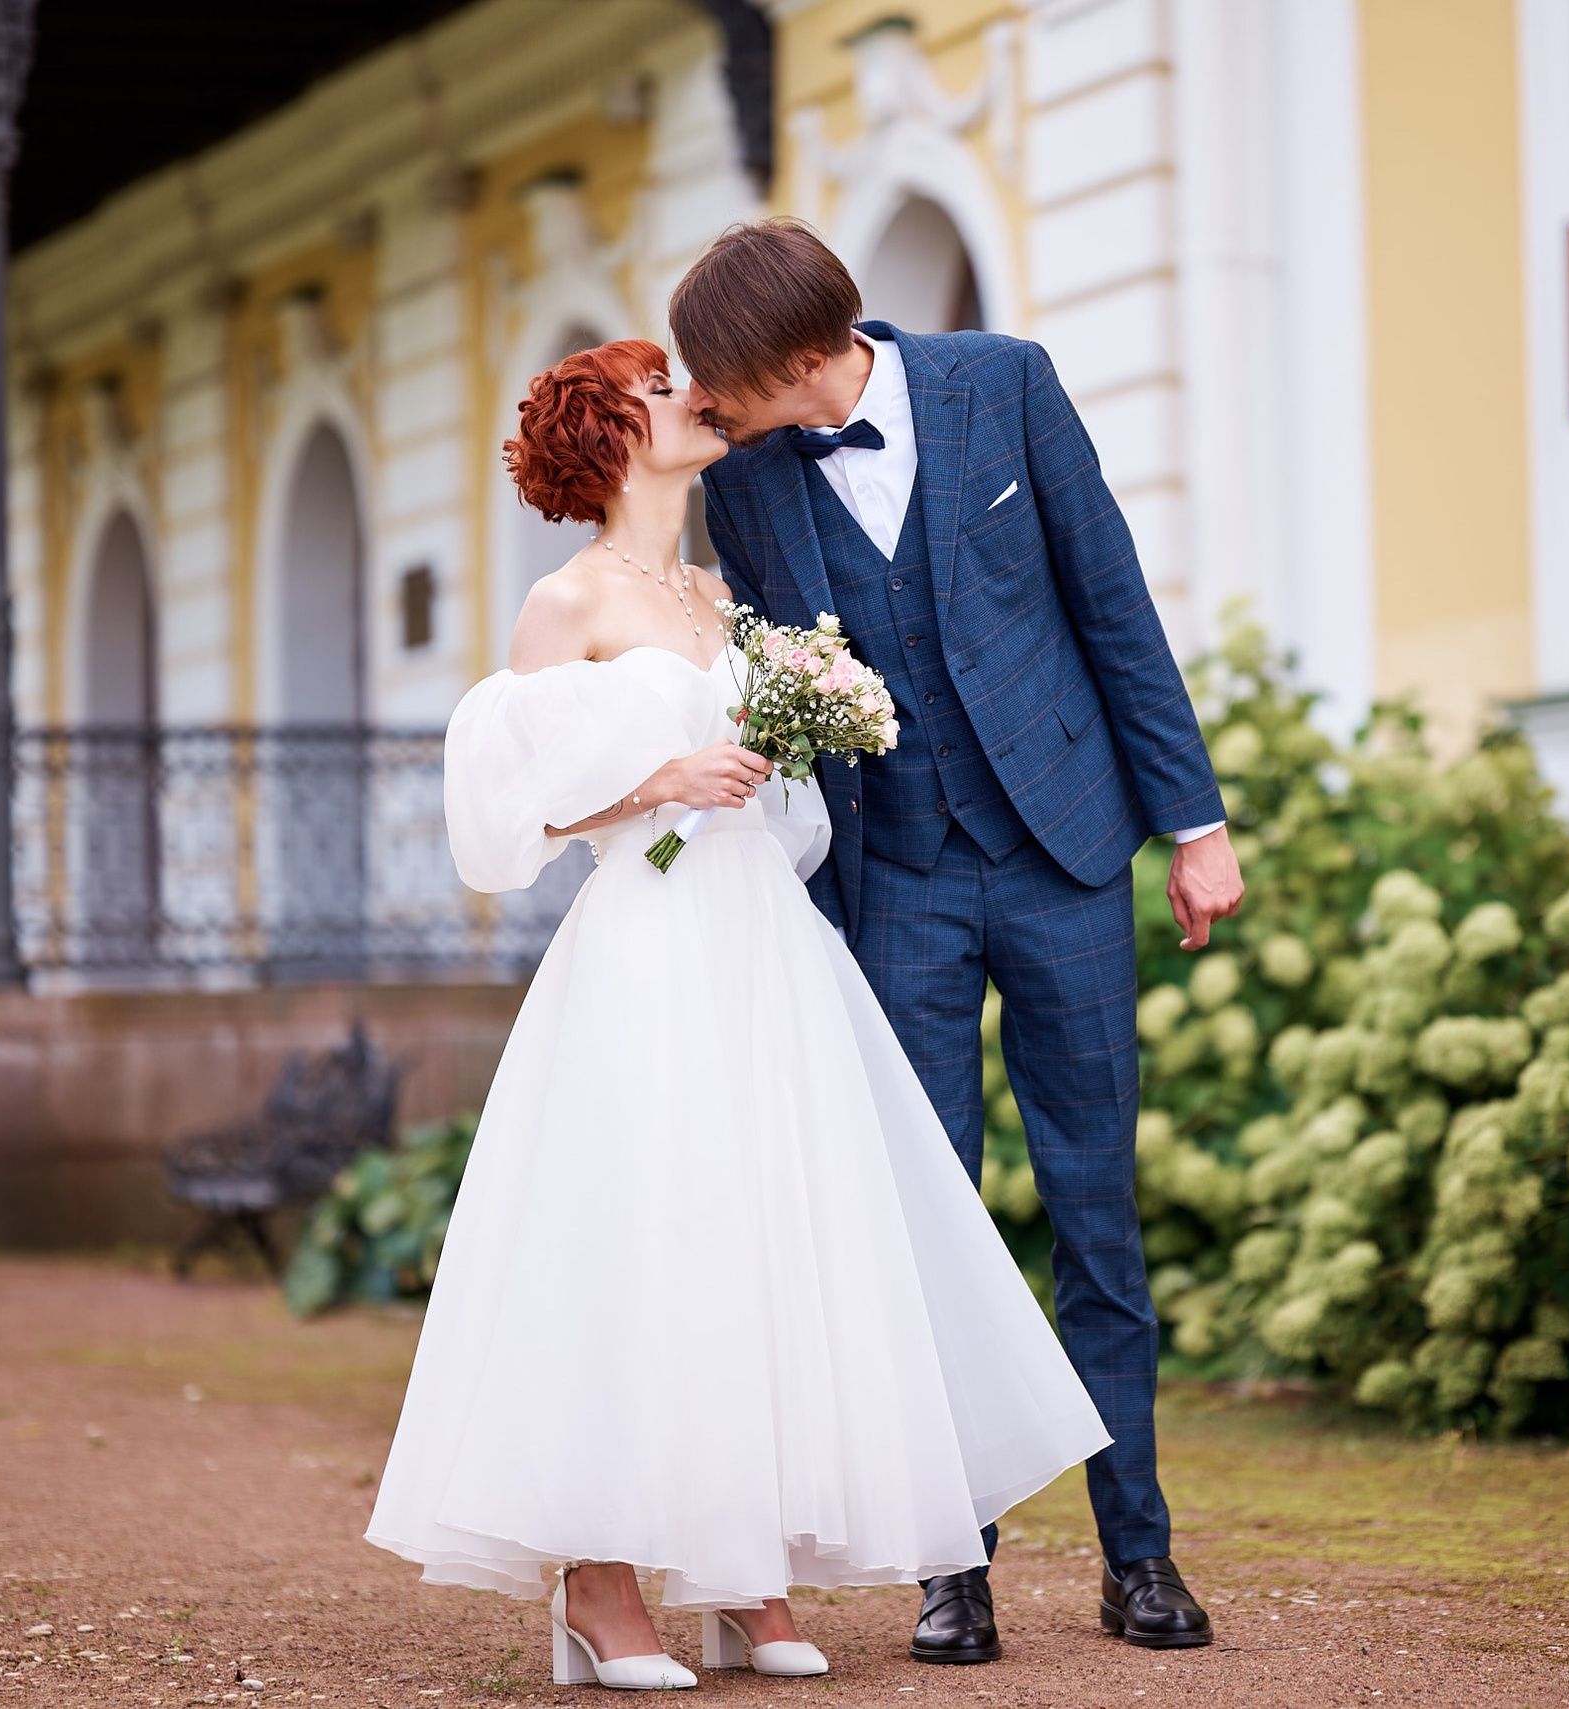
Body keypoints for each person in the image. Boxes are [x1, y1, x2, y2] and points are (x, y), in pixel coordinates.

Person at [364, 338, 1111, 1691]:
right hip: (646, 945)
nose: (688, 396)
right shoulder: (567, 602)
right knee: (644, 1233)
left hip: (763, 939)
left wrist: (783, 748)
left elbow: (784, 812)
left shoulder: (720, 595)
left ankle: (745, 1567)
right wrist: (655, 776)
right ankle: (598, 1583)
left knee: (768, 1227)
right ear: (608, 437)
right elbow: (503, 816)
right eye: (658, 389)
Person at [671, 218, 1244, 1664]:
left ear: (806, 358)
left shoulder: (1009, 383)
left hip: (1060, 850)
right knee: (927, 1228)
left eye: (725, 380)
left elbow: (1111, 603)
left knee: (1094, 1208)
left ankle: (1140, 1553)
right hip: (896, 878)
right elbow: (756, 666)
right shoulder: (740, 481)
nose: (711, 402)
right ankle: (953, 1566)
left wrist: (1197, 821)